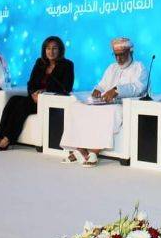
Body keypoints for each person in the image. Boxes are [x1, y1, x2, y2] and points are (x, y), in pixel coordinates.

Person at [60, 37, 147, 167]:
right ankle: (80, 149)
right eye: (116, 55)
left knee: (109, 111)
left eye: (122, 55)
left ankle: (94, 152)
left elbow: (138, 87)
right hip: (105, 103)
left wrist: (117, 90)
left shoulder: (139, 67)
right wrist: (97, 90)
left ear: (131, 52)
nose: (119, 59)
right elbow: (102, 84)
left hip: (123, 104)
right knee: (76, 106)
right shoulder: (112, 67)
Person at [0, 36, 74, 151]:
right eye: (48, 48)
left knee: (22, 106)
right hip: (34, 98)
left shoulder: (67, 65)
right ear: (44, 50)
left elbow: (67, 87)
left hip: (49, 102)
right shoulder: (40, 62)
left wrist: (44, 92)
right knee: (13, 100)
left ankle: (7, 139)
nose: (51, 51)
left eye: (54, 48)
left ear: (60, 50)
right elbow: (31, 83)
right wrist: (33, 94)